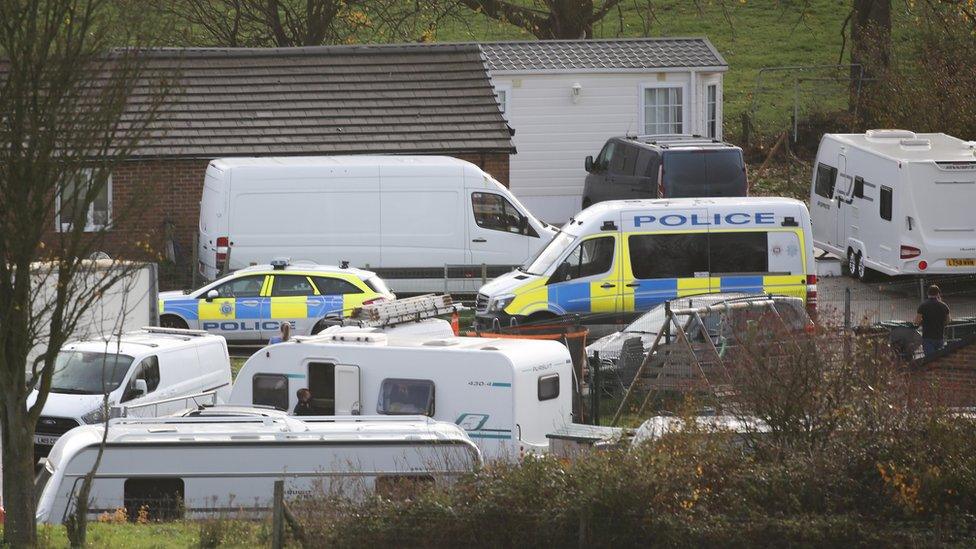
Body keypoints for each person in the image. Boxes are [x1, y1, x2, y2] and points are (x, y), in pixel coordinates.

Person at [915, 284, 950, 358]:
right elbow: (948, 320)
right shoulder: (944, 306)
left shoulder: (923, 306)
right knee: (939, 359)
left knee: (930, 360)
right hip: (939, 336)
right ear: (938, 293)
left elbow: (917, 322)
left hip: (927, 337)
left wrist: (922, 322)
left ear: (928, 293)